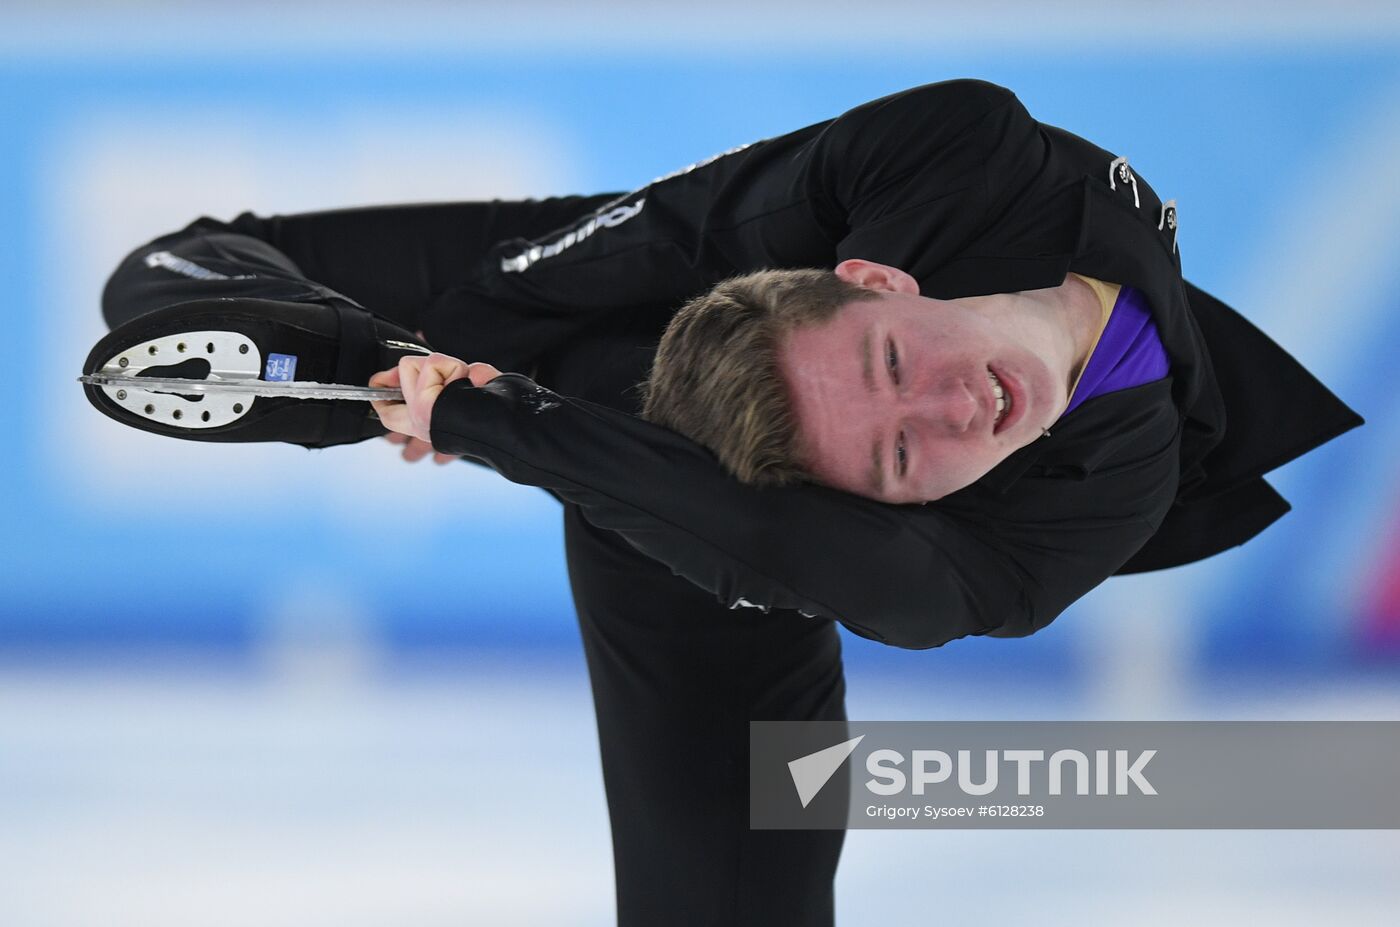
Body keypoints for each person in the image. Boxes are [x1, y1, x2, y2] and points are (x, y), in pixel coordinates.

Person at [92, 79, 1362, 926]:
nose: (952, 408)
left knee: (729, 871)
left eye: (901, 447)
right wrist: (418, 363)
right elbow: (655, 236)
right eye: (889, 368)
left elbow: (852, 571)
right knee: (163, 273)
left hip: (742, 527)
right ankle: (352, 354)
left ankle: (436, 381)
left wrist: (488, 418)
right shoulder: (949, 154)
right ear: (866, 277)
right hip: (686, 300)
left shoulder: (1097, 490)